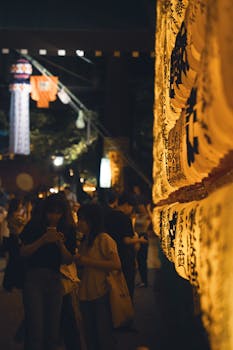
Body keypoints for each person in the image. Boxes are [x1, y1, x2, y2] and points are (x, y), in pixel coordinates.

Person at [19, 194, 76, 350]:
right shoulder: (35, 226)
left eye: (58, 212)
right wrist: (43, 240)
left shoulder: (68, 228)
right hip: (33, 279)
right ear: (45, 211)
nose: (54, 216)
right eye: (51, 212)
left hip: (55, 279)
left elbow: (68, 259)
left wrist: (60, 245)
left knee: (53, 330)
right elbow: (23, 252)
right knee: (35, 328)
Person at [74, 203, 121, 350]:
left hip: (101, 293)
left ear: (92, 220)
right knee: (89, 335)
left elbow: (116, 264)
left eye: (82, 219)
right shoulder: (85, 240)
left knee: (103, 335)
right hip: (85, 293)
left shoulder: (104, 239)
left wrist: (87, 261)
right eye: (78, 218)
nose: (79, 223)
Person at [104, 192, 148, 300]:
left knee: (113, 289)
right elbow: (126, 240)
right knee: (127, 288)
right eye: (131, 207)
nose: (131, 210)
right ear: (127, 205)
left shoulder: (107, 215)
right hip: (125, 257)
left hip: (110, 255)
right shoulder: (125, 219)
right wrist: (140, 240)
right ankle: (127, 312)